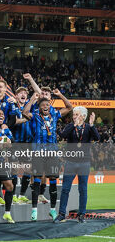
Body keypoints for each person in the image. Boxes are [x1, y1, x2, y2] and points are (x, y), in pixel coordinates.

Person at [23, 90, 73, 221]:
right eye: (43, 105)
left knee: (52, 180)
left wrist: (60, 95)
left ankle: (52, 210)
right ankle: (34, 210)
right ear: (39, 108)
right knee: (37, 179)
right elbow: (24, 112)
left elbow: (69, 107)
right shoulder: (35, 116)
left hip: (52, 153)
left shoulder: (55, 115)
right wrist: (33, 99)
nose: (46, 107)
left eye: (47, 105)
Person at [54, 108, 99, 223]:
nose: (74, 116)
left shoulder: (88, 127)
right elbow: (63, 135)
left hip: (84, 162)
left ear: (83, 116)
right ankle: (61, 214)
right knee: (65, 189)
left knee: (83, 190)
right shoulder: (70, 126)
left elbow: (97, 138)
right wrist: (73, 125)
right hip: (70, 162)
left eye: (77, 114)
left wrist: (92, 124)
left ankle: (82, 215)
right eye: (74, 114)